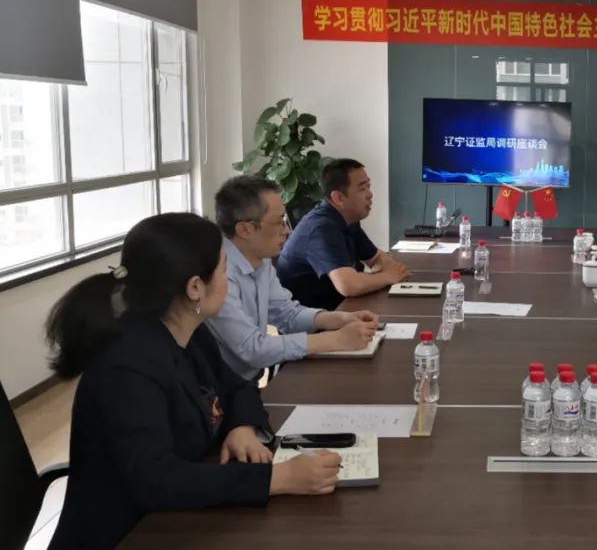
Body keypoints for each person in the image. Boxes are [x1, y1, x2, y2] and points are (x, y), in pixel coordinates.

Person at [45, 213, 341, 550]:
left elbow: (238, 385)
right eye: (224, 270)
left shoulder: (189, 332)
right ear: (195, 287)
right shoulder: (127, 366)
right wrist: (278, 478)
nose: (228, 281)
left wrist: (241, 427)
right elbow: (156, 480)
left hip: (179, 520)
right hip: (126, 534)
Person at [206, 175, 380, 381]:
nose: (287, 230)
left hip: (246, 381)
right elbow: (253, 349)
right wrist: (336, 339)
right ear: (245, 229)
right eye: (279, 222)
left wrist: (339, 319)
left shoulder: (260, 260)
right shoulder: (217, 274)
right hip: (219, 389)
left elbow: (288, 315)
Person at [277, 159, 410, 310]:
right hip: (312, 319)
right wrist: (386, 277)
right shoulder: (321, 228)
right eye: (362, 189)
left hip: (341, 309)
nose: (370, 194)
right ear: (339, 198)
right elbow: (348, 285)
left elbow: (377, 258)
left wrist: (383, 274)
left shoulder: (348, 219)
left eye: (368, 186)